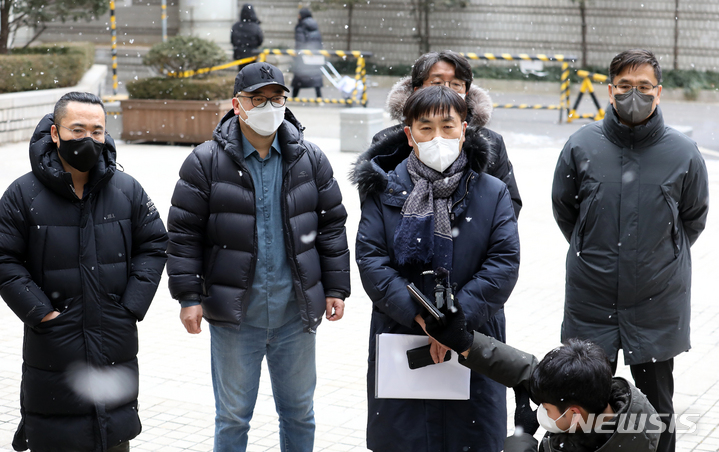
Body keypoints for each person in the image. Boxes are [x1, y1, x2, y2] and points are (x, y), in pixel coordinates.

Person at [166, 62, 351, 452]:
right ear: (238, 104)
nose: (269, 106)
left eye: (277, 98)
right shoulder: (205, 162)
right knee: (233, 418)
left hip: (295, 314)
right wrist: (189, 297)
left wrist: (336, 288)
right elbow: (184, 235)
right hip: (235, 317)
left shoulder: (309, 159)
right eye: (257, 99)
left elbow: (332, 225)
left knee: (300, 413)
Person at [551, 49, 709, 452]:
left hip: (656, 302)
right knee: (583, 408)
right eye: (624, 86)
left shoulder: (683, 152)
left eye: (643, 87)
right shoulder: (582, 145)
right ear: (609, 90)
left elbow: (692, 218)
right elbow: (566, 210)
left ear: (659, 92)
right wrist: (595, 249)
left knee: (656, 413)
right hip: (592, 298)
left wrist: (658, 257)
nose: (633, 95)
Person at [352, 85, 520, 452]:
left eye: (448, 126)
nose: (437, 137)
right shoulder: (384, 190)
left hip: (473, 339)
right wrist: (423, 317)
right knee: (403, 439)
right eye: (425, 128)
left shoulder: (492, 191)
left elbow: (503, 262)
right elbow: (371, 259)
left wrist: (455, 321)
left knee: (472, 439)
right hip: (400, 333)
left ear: (464, 130)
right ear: (409, 135)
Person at [0, 92, 168, 452]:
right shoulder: (22, 194)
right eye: (77, 129)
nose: (88, 139)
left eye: (97, 130)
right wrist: (42, 313)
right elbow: (3, 258)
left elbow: (155, 244)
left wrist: (129, 306)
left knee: (113, 434)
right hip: (54, 343)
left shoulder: (127, 190)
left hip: (114, 339)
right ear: (55, 133)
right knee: (56, 433)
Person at [422, 303, 660, 452]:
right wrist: (465, 343)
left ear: (574, 414)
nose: (541, 412)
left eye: (546, 407)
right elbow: (531, 371)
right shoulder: (609, 402)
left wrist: (522, 438)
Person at [369, 50, 522, 218]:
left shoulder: (491, 142)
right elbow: (375, 207)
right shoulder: (388, 143)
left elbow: (508, 203)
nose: (447, 90)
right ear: (417, 89)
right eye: (437, 83)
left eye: (456, 84)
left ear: (467, 92)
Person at [291, 7, 324, 98]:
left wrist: (297, 54)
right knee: (316, 76)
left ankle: (294, 98)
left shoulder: (301, 26)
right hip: (314, 55)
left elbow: (300, 42)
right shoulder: (314, 25)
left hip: (303, 56)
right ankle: (319, 97)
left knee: (299, 77)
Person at [231, 4, 264, 71]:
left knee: (241, 73)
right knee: (251, 73)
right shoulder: (255, 27)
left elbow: (232, 40)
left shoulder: (236, 26)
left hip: (239, 55)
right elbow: (260, 40)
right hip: (252, 54)